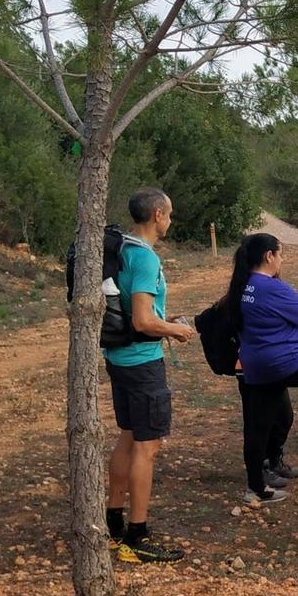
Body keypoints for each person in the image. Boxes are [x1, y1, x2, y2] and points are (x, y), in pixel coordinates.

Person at [104, 187, 197, 563]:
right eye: (169, 214)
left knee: (128, 437)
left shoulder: (121, 249)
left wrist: (165, 320)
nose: (170, 220)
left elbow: (134, 311)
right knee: (148, 446)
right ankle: (137, 535)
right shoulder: (144, 258)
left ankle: (113, 524)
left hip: (120, 358)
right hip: (142, 363)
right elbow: (142, 320)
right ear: (158, 214)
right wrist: (175, 331)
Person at [225, 233, 298, 505]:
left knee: (263, 424)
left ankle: (259, 480)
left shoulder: (243, 285)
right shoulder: (271, 287)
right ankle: (256, 487)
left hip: (256, 362)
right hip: (281, 362)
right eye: (280, 254)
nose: (282, 259)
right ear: (269, 256)